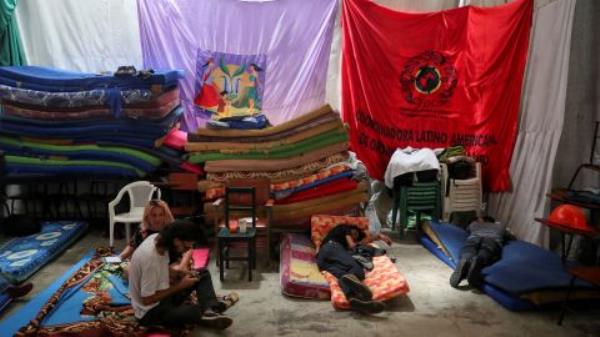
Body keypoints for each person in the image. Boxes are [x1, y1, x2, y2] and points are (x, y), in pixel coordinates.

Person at [129, 219, 237, 330]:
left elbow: (159, 268)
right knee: (195, 310)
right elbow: (147, 300)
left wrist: (177, 273)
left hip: (164, 297)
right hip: (150, 313)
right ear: (176, 240)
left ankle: (209, 312)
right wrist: (180, 285)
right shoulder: (150, 259)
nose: (186, 251)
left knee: (201, 274)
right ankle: (209, 310)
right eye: (185, 247)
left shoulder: (157, 240)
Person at [316, 224, 391, 314]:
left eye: (356, 237)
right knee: (357, 269)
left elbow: (363, 241)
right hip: (332, 248)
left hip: (322, 261)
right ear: (353, 229)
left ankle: (354, 300)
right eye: (354, 234)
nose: (354, 237)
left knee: (344, 277)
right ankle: (364, 295)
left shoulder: (334, 239)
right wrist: (379, 236)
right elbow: (352, 245)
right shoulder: (345, 227)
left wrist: (379, 237)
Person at [449, 216, 508, 288]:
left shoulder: (474, 224)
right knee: (486, 251)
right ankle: (478, 259)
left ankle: (465, 259)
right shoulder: (500, 226)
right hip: (492, 240)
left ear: (482, 220)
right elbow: (507, 236)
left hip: (474, 238)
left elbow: (467, 230)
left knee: (469, 249)